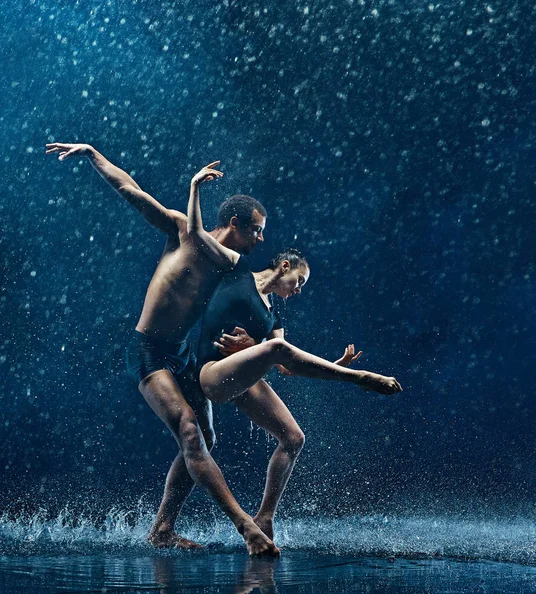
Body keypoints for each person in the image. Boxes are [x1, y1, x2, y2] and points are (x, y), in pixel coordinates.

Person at [45, 144, 278, 556]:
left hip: (183, 353)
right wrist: (92, 153)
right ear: (235, 224)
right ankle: (246, 527)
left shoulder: (230, 266)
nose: (261, 239)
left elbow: (264, 300)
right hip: (149, 351)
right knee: (190, 430)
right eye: (256, 230)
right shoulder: (180, 229)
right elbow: (130, 190)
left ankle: (162, 529)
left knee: (205, 435)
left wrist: (257, 343)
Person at [188, 186, 403, 541]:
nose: (299, 290)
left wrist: (334, 360)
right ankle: (358, 378)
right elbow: (196, 235)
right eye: (299, 281)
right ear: (284, 266)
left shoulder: (272, 318)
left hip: (243, 379)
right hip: (211, 374)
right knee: (276, 350)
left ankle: (265, 517)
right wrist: (196, 188)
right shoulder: (237, 272)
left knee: (293, 437)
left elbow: (286, 365)